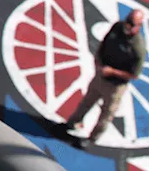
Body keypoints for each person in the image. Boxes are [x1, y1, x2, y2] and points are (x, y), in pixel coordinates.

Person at [61, 10, 145, 148]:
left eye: (131, 24)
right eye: (127, 20)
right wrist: (98, 60)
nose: (127, 25)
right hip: (100, 76)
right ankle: (72, 123)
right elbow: (104, 43)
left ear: (138, 26)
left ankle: (92, 139)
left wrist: (112, 72)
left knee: (106, 114)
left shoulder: (137, 48)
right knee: (86, 101)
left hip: (115, 86)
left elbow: (134, 75)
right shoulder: (117, 27)